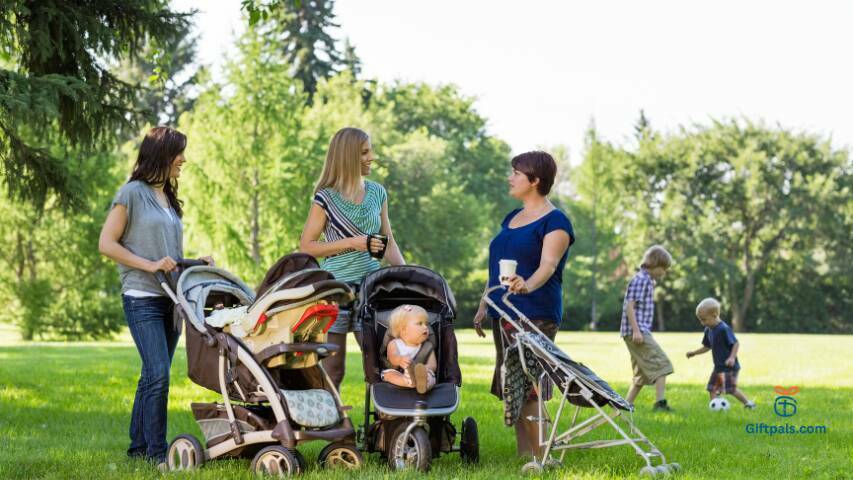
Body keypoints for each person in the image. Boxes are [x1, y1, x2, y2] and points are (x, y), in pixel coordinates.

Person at [98, 126, 213, 465]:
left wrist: (195, 261)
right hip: (141, 295)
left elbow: (166, 253)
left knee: (152, 374)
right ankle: (156, 453)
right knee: (159, 373)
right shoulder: (132, 193)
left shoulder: (168, 197)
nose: (184, 160)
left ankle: (137, 448)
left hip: (171, 298)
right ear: (162, 154)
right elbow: (107, 244)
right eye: (179, 153)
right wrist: (148, 265)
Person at [473, 150, 574, 459]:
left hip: (535, 312)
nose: (510, 177)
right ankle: (524, 455)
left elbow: (548, 266)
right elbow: (498, 267)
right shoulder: (512, 218)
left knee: (528, 384)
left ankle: (543, 456)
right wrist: (483, 304)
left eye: (516, 173)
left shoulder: (556, 222)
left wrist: (526, 284)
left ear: (535, 180)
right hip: (503, 310)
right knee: (512, 384)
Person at [299, 127, 405, 389]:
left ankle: (383, 424)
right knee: (334, 368)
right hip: (334, 290)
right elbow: (307, 247)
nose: (371, 157)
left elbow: (387, 240)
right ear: (348, 156)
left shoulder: (377, 192)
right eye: (364, 152)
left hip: (370, 287)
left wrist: (406, 273)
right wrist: (352, 243)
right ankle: (330, 424)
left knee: (378, 362)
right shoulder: (325, 198)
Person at [620, 245, 674, 411]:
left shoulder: (648, 280)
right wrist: (636, 330)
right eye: (662, 269)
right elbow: (629, 306)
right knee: (662, 364)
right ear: (654, 264)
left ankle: (624, 407)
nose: (663, 273)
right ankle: (660, 404)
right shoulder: (641, 280)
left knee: (641, 375)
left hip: (637, 331)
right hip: (637, 332)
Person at [687, 298, 756, 408]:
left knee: (730, 390)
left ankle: (749, 404)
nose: (702, 323)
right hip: (718, 367)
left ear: (714, 315)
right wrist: (694, 353)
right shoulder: (708, 329)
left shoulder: (724, 329)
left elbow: (735, 343)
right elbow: (707, 346)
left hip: (729, 367)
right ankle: (714, 407)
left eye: (704, 319)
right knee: (712, 388)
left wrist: (732, 358)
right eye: (700, 320)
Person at [381, 304, 437, 394]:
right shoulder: (394, 343)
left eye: (426, 323)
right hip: (398, 372)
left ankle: (423, 385)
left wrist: (424, 369)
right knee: (389, 374)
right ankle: (408, 382)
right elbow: (391, 358)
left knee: (431, 376)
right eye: (420, 323)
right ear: (403, 330)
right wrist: (399, 360)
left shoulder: (427, 346)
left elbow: (433, 365)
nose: (425, 327)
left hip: (420, 374)